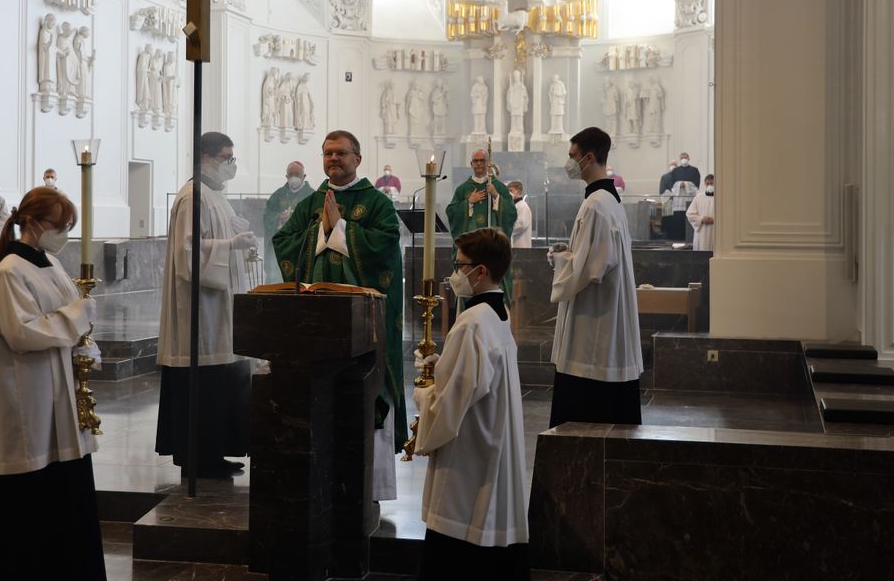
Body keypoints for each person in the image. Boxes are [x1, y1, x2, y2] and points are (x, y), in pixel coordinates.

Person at [0, 187, 105, 578]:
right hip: (29, 395)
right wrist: (77, 320)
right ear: (32, 223)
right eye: (60, 226)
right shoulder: (11, 271)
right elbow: (22, 332)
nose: (64, 234)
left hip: (60, 392)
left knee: (68, 492)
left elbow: (70, 313)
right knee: (34, 498)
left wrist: (87, 345)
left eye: (70, 227)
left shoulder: (49, 262)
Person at [273, 130, 405, 500]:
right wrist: (323, 228)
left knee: (365, 395)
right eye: (328, 153)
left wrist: (340, 228)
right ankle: (321, 482)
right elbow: (284, 242)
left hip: (363, 324)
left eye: (341, 153)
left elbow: (385, 249)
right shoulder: (310, 203)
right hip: (316, 323)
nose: (334, 159)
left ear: (357, 159)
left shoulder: (377, 202)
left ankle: (368, 489)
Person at [414, 228, 529, 579]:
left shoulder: (472, 323)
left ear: (481, 272)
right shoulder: (498, 314)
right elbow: (476, 376)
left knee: (458, 539)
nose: (454, 274)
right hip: (490, 440)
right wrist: (443, 362)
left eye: (460, 265)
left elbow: (453, 403)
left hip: (469, 455)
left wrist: (423, 396)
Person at [157, 132, 258, 478]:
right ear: (206, 157)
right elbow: (188, 255)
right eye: (226, 157)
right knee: (204, 384)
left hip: (218, 305)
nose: (231, 165)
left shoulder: (213, 195)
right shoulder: (192, 197)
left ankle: (212, 454)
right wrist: (231, 243)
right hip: (199, 310)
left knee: (219, 383)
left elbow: (211, 237)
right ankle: (199, 458)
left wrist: (234, 232)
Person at [547, 127, 642, 428]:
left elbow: (589, 270)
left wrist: (560, 259)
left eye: (572, 156)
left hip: (594, 326)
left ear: (589, 157)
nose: (569, 162)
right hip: (606, 313)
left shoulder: (596, 205)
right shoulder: (608, 201)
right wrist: (571, 251)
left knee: (587, 418)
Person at [446, 150, 517, 303]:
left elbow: (511, 214)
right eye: (476, 161)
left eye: (482, 160)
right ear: (471, 164)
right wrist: (468, 203)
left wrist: (496, 196)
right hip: (470, 251)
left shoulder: (498, 187)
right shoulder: (463, 189)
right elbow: (451, 213)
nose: (479, 164)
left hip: (491, 250)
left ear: (487, 163)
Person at [262, 161, 314, 284]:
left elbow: (316, 218)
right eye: (291, 174)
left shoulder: (311, 195)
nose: (293, 177)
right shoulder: (278, 194)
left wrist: (296, 219)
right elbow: (267, 215)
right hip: (281, 244)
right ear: (286, 176)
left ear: (304, 176)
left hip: (301, 245)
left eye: (297, 174)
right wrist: (279, 218)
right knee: (277, 276)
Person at [686, 174, 716, 251]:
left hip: (716, 230)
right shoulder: (698, 197)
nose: (710, 185)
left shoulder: (721, 197)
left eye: (712, 183)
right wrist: (702, 219)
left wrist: (715, 219)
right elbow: (690, 214)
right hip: (702, 230)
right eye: (708, 183)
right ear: (704, 184)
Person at [508, 181, 532, 249]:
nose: (509, 193)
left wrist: (506, 229)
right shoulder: (514, 206)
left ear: (519, 191)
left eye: (511, 190)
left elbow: (521, 224)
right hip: (514, 245)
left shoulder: (523, 206)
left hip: (522, 246)